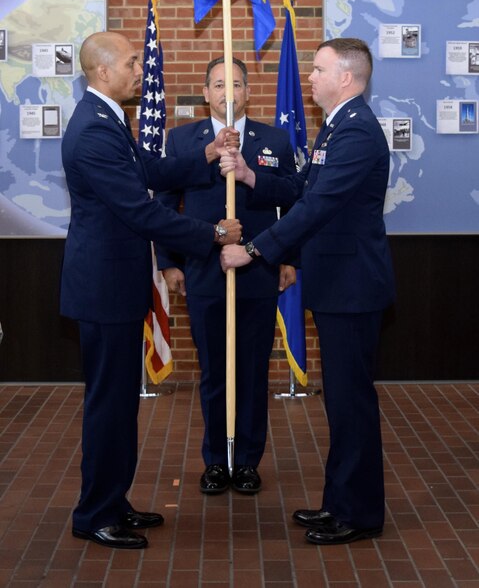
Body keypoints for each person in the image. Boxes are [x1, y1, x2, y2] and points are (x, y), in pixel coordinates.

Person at [60, 31, 241, 550]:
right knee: (108, 405)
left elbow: (150, 171)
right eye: (132, 62)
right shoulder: (92, 131)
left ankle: (113, 501)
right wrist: (211, 234)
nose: (141, 69)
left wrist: (205, 152)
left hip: (115, 284)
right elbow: (139, 209)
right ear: (102, 72)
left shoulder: (110, 118)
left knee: (119, 404)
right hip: (102, 289)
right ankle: (94, 512)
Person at [220, 38, 395, 545]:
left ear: (347, 77)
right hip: (339, 285)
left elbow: (317, 210)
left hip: (353, 287)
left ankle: (358, 514)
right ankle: (339, 501)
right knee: (339, 400)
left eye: (317, 70)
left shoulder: (357, 132)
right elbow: (303, 190)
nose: (310, 78)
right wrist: (253, 176)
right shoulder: (336, 127)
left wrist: (252, 250)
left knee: (350, 402)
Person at [155, 56, 296, 495]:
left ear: (248, 91)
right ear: (205, 93)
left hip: (259, 269)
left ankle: (249, 459)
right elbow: (163, 206)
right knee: (215, 370)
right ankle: (217, 459)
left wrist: (288, 257)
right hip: (203, 271)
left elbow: (294, 201)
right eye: (218, 84)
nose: (226, 92)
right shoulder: (182, 141)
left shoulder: (273, 139)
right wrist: (169, 262)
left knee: (253, 371)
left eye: (235, 83)